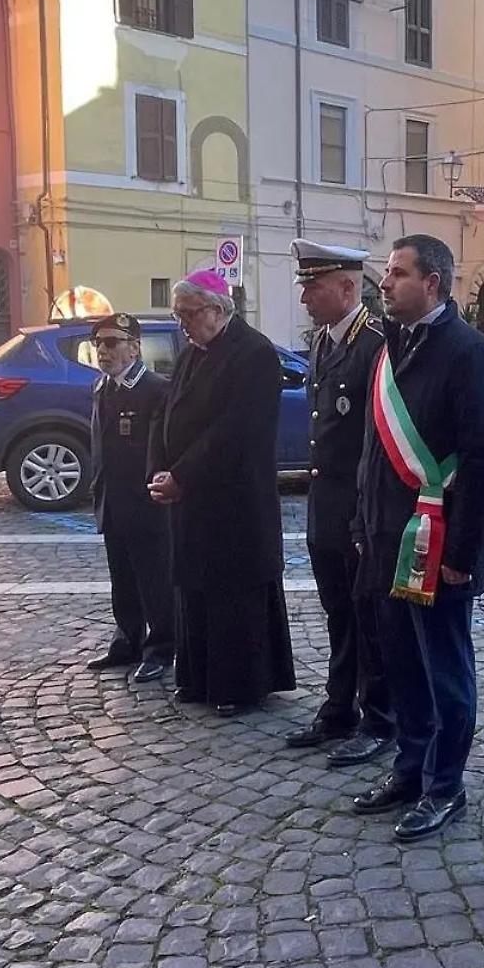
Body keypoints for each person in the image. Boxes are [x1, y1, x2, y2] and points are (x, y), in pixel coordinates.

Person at [351, 235, 484, 841]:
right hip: (388, 539)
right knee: (403, 666)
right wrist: (363, 528)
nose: (384, 283)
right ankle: (410, 768)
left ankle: (446, 785)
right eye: (387, 274)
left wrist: (463, 555)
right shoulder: (390, 346)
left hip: (439, 547)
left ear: (433, 283)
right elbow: (372, 451)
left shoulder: (470, 354)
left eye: (396, 274)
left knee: (444, 670)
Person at [148, 270, 296, 716]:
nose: (183, 324)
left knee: (233, 594)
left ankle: (240, 685)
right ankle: (197, 677)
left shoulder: (253, 353)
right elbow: (165, 412)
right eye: (178, 316)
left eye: (188, 314)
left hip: (234, 501)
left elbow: (235, 432)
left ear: (216, 309)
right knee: (194, 589)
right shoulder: (196, 349)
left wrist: (185, 475)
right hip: (192, 499)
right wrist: (159, 467)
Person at [284, 239, 392, 764]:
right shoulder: (323, 342)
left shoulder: (375, 343)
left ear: (348, 287)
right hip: (326, 501)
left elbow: (376, 436)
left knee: (369, 616)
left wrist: (360, 514)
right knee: (337, 612)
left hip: (359, 505)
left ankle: (379, 718)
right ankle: (338, 707)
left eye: (314, 285)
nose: (305, 295)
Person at [84, 313, 173, 684]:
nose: (104, 351)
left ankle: (162, 647)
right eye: (99, 344)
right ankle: (128, 639)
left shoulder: (154, 389)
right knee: (121, 578)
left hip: (145, 501)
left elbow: (162, 449)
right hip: (114, 499)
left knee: (155, 579)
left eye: (112, 343)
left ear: (134, 348)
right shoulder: (102, 387)